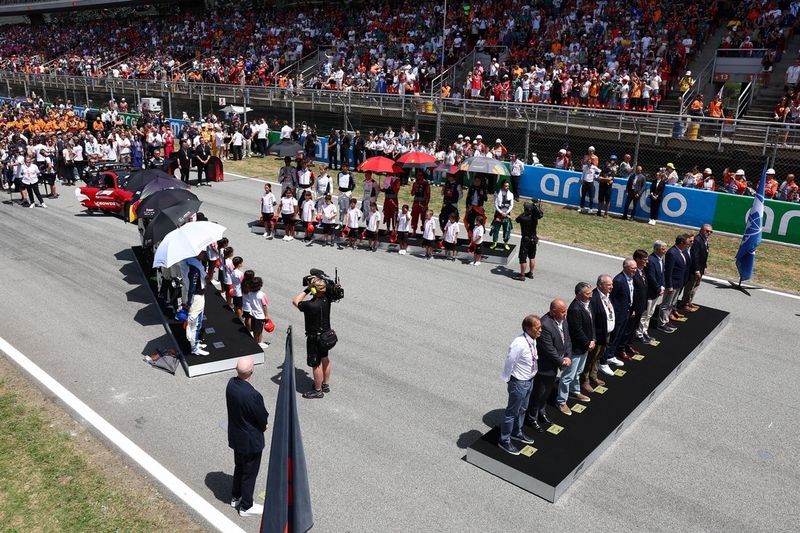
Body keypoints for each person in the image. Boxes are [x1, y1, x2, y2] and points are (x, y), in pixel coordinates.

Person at [226, 356, 269, 517]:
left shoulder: (231, 384)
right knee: (250, 473)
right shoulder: (253, 395)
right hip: (251, 441)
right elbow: (262, 417)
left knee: (239, 467)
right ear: (252, 370)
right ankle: (246, 506)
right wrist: (264, 425)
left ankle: (235, 497)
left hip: (237, 436)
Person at [498, 314, 541, 455]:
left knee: (523, 409)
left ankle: (517, 432)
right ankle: (504, 440)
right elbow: (510, 360)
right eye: (537, 327)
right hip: (519, 382)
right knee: (511, 412)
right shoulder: (519, 343)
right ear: (527, 328)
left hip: (529, 380)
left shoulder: (533, 339)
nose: (540, 330)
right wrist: (508, 379)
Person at [527, 299, 571, 432]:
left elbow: (567, 339)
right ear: (553, 312)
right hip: (544, 368)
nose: (565, 314)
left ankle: (541, 413)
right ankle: (531, 418)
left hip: (554, 367)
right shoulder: (545, 324)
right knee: (538, 394)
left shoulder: (563, 320)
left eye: (565, 310)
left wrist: (568, 355)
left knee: (546, 393)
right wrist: (562, 361)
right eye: (562, 311)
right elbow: (548, 349)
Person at [293, 277, 335, 399]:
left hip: (314, 338)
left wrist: (307, 290)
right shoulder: (328, 298)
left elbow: (296, 301)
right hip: (326, 335)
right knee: (325, 358)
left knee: (315, 364)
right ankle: (325, 384)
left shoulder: (311, 305)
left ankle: (318, 391)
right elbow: (330, 287)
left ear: (314, 291)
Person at [557, 282, 594, 415]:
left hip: (585, 346)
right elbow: (576, 330)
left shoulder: (587, 304)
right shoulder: (575, 309)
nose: (591, 296)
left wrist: (593, 339)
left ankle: (575, 391)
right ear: (578, 295)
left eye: (591, 293)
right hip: (577, 348)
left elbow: (591, 323)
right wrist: (587, 342)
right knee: (568, 375)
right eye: (588, 294)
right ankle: (561, 401)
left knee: (578, 372)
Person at [604, 258, 638, 371]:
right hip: (618, 314)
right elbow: (612, 298)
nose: (635, 270)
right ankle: (607, 357)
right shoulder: (619, 280)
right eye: (633, 268)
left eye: (635, 268)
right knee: (614, 336)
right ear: (625, 268)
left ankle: (612, 354)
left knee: (619, 335)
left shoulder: (631, 278)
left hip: (626, 312)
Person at [582, 274, 613, 391]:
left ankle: (593, 376)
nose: (611, 287)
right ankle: (584, 380)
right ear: (600, 285)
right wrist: (593, 338)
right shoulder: (594, 298)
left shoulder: (607, 295)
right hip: (597, 335)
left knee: (598, 357)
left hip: (606, 333)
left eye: (612, 284)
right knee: (591, 359)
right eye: (609, 284)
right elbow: (591, 320)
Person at [657, 234, 692, 333]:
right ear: (681, 243)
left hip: (679, 283)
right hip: (672, 284)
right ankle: (661, 323)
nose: (688, 245)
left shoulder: (682, 251)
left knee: (671, 304)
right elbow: (669, 271)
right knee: (666, 304)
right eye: (687, 243)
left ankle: (666, 320)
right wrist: (669, 285)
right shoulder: (672, 253)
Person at [619, 250, 649, 358]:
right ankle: (621, 348)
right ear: (637, 260)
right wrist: (635, 308)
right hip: (634, 308)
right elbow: (633, 293)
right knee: (627, 329)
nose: (647, 261)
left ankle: (628, 345)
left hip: (640, 306)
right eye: (644, 259)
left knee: (633, 328)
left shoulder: (641, 271)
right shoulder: (633, 275)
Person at [678, 224, 712, 312]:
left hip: (701, 267)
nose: (709, 233)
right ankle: (684, 303)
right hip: (694, 269)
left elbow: (704, 255)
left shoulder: (705, 240)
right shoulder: (697, 240)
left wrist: (704, 266)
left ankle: (689, 301)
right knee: (690, 286)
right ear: (701, 230)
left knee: (696, 285)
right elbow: (695, 256)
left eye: (710, 231)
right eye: (707, 231)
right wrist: (696, 270)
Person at [639, 241, 667, 343]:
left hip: (657, 291)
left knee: (650, 313)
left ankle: (645, 330)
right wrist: (658, 288)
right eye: (663, 249)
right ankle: (639, 333)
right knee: (645, 314)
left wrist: (663, 286)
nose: (665, 251)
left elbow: (662, 274)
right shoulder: (651, 260)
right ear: (656, 249)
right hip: (650, 292)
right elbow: (651, 277)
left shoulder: (661, 259)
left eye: (665, 248)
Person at [182, 251, 208, 356]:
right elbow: (192, 288)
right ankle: (194, 348)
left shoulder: (194, 264)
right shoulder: (194, 267)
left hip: (199, 296)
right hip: (195, 298)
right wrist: (189, 302)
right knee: (195, 324)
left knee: (199, 322)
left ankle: (196, 343)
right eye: (202, 252)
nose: (204, 254)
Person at [514, 200, 543, 280]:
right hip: (533, 239)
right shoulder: (534, 218)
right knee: (532, 257)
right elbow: (538, 215)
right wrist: (536, 208)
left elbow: (517, 219)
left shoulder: (522, 218)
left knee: (523, 258)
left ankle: (522, 275)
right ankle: (531, 273)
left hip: (525, 240)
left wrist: (526, 211)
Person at [489, 181, 514, 250]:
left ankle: (506, 243)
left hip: (507, 215)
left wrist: (506, 212)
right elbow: (496, 204)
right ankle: (495, 243)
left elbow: (511, 205)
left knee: (507, 230)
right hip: (498, 214)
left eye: (508, 186)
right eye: (506, 186)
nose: (507, 187)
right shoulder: (497, 193)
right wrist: (501, 212)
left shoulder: (511, 194)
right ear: (502, 186)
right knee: (495, 229)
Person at [410, 172, 431, 236]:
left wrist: (426, 205)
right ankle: (414, 231)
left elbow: (428, 195)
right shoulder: (415, 183)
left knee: (424, 218)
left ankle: (424, 231)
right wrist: (415, 188)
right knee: (414, 218)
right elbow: (412, 194)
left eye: (419, 175)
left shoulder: (426, 184)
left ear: (422, 176)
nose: (418, 177)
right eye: (417, 175)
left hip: (423, 203)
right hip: (416, 203)